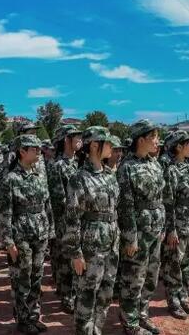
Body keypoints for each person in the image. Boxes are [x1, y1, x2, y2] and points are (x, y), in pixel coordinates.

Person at [64, 126, 120, 334]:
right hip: (90, 247)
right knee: (87, 296)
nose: (112, 147)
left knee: (105, 295)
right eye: (108, 143)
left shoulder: (109, 175)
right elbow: (72, 218)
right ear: (95, 145)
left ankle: (96, 330)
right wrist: (76, 253)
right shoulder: (79, 178)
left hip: (111, 244)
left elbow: (115, 210)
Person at [0, 134, 54, 334]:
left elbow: (46, 206)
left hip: (39, 233)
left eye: (39, 148)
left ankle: (34, 315)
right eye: (34, 149)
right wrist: (8, 241)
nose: (38, 152)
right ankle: (23, 319)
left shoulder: (40, 175)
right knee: (22, 278)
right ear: (22, 151)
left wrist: (50, 230)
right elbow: (5, 212)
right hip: (20, 235)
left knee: (36, 277)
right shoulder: (10, 179)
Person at [117, 119, 165, 335]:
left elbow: (160, 198)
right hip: (139, 232)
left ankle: (142, 314)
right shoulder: (127, 167)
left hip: (155, 230)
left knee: (151, 277)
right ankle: (130, 321)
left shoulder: (154, 163)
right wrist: (131, 238)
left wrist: (162, 227)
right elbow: (125, 206)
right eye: (154, 137)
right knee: (133, 279)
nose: (157, 141)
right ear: (142, 139)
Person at [161, 130, 189, 319]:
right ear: (178, 147)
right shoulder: (171, 171)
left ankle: (183, 297)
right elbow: (168, 203)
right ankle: (173, 302)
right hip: (178, 227)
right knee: (173, 266)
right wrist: (171, 230)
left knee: (187, 264)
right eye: (188, 144)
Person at [47, 124, 82, 314]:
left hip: (79, 219)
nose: (80, 140)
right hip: (64, 220)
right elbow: (58, 199)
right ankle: (66, 296)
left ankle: (74, 293)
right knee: (64, 260)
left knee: (76, 258)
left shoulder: (79, 163)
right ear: (66, 141)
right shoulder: (57, 166)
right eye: (75, 137)